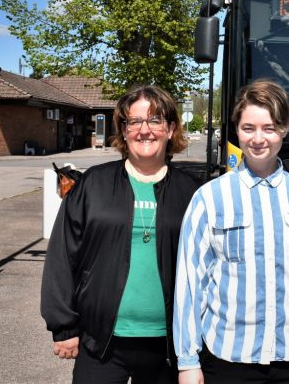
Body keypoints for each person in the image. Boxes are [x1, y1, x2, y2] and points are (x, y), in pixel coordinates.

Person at [174, 79, 289, 384]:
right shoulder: (209, 198)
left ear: (284, 129)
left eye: (268, 128)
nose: (258, 138)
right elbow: (190, 283)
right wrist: (187, 360)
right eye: (248, 128)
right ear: (236, 130)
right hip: (229, 360)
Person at [41, 84, 201, 384]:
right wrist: (64, 327)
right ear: (123, 131)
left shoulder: (192, 192)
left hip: (169, 345)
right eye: (134, 121)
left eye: (155, 120)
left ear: (170, 129)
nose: (145, 130)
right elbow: (63, 256)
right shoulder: (93, 185)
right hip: (101, 343)